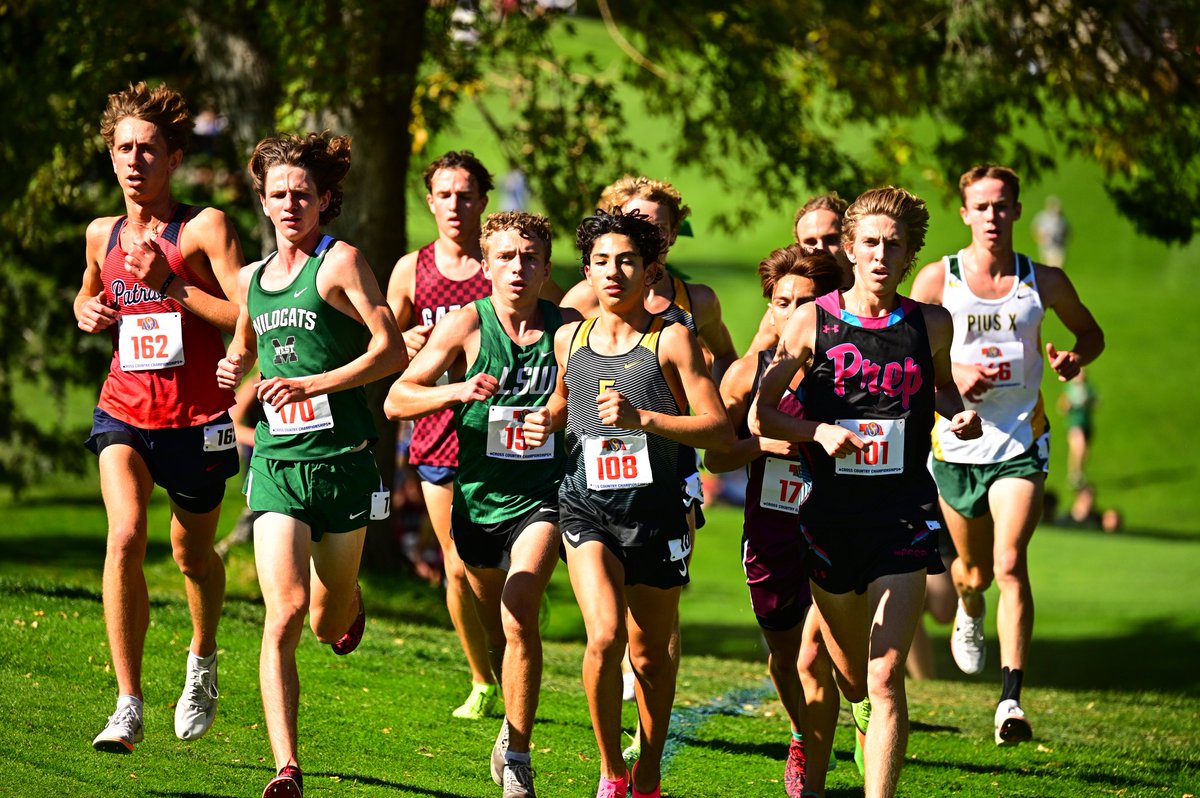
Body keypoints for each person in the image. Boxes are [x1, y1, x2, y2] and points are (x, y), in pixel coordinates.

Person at [754, 187, 982, 798]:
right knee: (853, 676)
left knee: (884, 678)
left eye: (894, 245)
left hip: (902, 514)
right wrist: (817, 431)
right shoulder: (812, 320)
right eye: (871, 243)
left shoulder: (931, 323)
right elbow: (761, 414)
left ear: (909, 255)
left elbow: (940, 388)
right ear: (850, 250)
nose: (882, 255)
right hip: (830, 518)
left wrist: (957, 414)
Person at [216, 131, 406, 797]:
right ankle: (287, 767)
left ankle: (349, 601)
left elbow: (390, 351)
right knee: (286, 611)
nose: (290, 204)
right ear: (263, 202)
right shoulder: (251, 280)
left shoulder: (340, 262)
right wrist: (233, 366)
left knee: (327, 623)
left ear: (325, 200)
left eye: (303, 194)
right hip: (277, 464)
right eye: (279, 195)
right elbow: (247, 345)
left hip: (344, 465)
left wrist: (314, 385)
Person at [524, 208, 734, 798]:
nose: (613, 272)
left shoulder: (672, 339)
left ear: (650, 271)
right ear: (586, 272)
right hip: (586, 506)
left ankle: (649, 769)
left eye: (626, 262)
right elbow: (565, 400)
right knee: (604, 636)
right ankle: (612, 771)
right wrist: (546, 419)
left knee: (650, 656)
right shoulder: (569, 337)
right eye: (601, 262)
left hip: (656, 513)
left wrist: (644, 419)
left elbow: (718, 428)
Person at [74, 81, 245, 754]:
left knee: (191, 554)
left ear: (174, 158)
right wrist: (86, 309)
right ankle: (128, 703)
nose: (134, 160)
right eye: (124, 148)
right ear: (111, 157)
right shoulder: (102, 233)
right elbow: (90, 293)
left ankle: (202, 659)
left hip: (197, 419)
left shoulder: (204, 229)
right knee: (123, 537)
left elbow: (247, 316)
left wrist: (171, 286)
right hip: (124, 409)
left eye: (148, 149)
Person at [910, 164, 1104, 745]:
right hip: (955, 442)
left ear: (1017, 210)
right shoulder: (938, 280)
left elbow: (1091, 334)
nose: (992, 216)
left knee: (1011, 562)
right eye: (982, 206)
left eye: (1002, 205)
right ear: (965, 213)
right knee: (973, 573)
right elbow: (902, 346)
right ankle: (969, 604)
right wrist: (956, 370)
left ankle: (1010, 701)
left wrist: (1073, 358)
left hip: (1022, 440)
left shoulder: (1044, 281)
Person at [384, 212, 574, 798]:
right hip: (479, 501)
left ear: (546, 267)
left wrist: (558, 413)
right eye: (507, 257)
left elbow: (594, 393)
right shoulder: (467, 325)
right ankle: (507, 709)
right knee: (497, 627)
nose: (519, 268)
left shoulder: (568, 328)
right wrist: (457, 389)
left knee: (519, 612)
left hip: (544, 495)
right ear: (487, 265)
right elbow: (396, 399)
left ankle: (518, 756)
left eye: (531, 258)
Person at [561, 175, 736, 718]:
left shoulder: (692, 305)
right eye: (638, 220)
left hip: (668, 480)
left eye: (658, 226)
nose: (650, 230)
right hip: (590, 490)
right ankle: (618, 710)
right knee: (607, 625)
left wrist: (716, 391)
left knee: (657, 623)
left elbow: (727, 372)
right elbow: (564, 381)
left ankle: (649, 709)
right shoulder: (580, 307)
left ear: (668, 240)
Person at [703, 245, 844, 797]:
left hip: (834, 528)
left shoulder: (844, 370)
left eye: (804, 302)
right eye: (782, 302)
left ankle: (825, 760)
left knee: (815, 656)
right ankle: (801, 734)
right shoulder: (747, 375)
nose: (791, 312)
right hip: (770, 532)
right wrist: (764, 443)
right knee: (785, 659)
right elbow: (716, 458)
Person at [385, 150, 502, 719]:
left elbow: (555, 322)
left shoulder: (505, 263)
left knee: (497, 566)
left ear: (483, 201)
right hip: (438, 432)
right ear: (430, 202)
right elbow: (382, 344)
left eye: (466, 195)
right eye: (445, 195)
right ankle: (483, 679)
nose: (456, 205)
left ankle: (511, 653)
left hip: (502, 434)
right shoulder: (413, 269)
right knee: (456, 563)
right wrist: (404, 342)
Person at [747, 193, 851, 355]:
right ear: (798, 247)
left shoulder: (873, 295)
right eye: (810, 242)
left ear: (850, 241)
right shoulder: (786, 307)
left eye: (831, 239)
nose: (820, 248)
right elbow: (750, 362)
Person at [1032, 196, 1070, 269]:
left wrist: (1064, 239)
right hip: (1047, 246)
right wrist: (1041, 240)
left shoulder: (1062, 220)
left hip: (1059, 246)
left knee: (1059, 267)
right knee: (1048, 266)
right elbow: (1036, 230)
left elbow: (1067, 232)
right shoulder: (1042, 217)